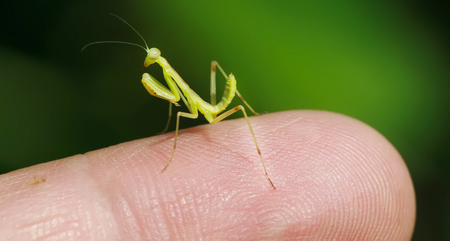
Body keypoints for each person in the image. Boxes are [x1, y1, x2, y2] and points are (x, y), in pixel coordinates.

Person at [0, 110, 415, 240]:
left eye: (154, 59)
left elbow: (192, 111)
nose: (150, 62)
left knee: (196, 114)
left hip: (218, 110)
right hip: (203, 113)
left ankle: (265, 158)